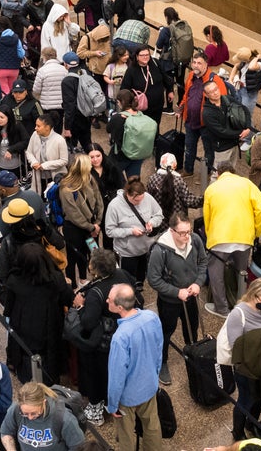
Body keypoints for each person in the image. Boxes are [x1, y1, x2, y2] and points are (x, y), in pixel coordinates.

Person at [72, 248, 134, 426]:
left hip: (101, 344)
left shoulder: (96, 293)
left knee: (96, 375)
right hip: (122, 333)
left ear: (95, 269)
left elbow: (88, 322)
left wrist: (81, 306)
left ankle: (96, 411)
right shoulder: (122, 274)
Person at [146, 212, 207, 384]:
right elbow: (154, 279)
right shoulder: (160, 250)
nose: (187, 236)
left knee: (192, 329)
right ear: (172, 231)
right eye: (182, 233)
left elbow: (203, 262)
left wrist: (198, 283)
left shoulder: (194, 240)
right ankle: (162, 362)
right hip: (169, 302)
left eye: (188, 231)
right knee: (166, 332)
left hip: (191, 297)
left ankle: (194, 356)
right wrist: (176, 292)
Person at [222, 278, 261, 441]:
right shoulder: (238, 314)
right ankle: (238, 431)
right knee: (246, 399)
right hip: (246, 365)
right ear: (253, 296)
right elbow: (236, 344)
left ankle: (252, 423)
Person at [2, 243, 74, 385]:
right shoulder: (55, 279)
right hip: (50, 330)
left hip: (23, 331)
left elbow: (8, 307)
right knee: (51, 365)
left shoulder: (15, 280)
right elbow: (68, 299)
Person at [203, 162, 261, 316]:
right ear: (234, 172)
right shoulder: (247, 183)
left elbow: (207, 217)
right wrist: (256, 231)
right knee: (242, 272)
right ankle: (241, 306)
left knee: (215, 273)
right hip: (244, 236)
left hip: (219, 238)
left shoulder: (211, 189)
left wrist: (209, 237)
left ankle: (222, 309)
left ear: (219, 173)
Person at [106, 283, 165, 451]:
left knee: (126, 433)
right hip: (150, 385)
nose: (106, 300)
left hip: (128, 396)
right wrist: (155, 374)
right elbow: (159, 348)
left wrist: (112, 405)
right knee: (152, 425)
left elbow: (117, 376)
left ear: (118, 307)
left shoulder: (120, 337)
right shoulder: (151, 317)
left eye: (109, 299)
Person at [105, 177, 164, 289]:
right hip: (127, 252)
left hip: (146, 248)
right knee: (127, 281)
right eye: (136, 201)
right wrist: (130, 231)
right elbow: (109, 231)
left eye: (142, 199)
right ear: (127, 194)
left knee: (140, 278)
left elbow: (159, 214)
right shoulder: (114, 206)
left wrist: (151, 222)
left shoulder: (147, 197)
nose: (139, 203)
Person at [180, 51, 229, 176]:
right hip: (190, 121)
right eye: (194, 62)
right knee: (189, 147)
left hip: (206, 124)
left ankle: (207, 172)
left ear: (206, 65)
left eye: (199, 63)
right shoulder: (191, 75)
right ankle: (188, 170)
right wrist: (182, 107)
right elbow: (187, 95)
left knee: (209, 150)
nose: (196, 65)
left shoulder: (215, 80)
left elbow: (223, 101)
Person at [0, 382, 86, 451]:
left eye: (34, 413)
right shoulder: (15, 410)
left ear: (43, 402)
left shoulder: (64, 419)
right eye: (25, 413)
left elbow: (78, 447)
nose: (29, 417)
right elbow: (6, 432)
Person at [58, 154, 103, 283]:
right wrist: (92, 227)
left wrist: (97, 222)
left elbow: (98, 199)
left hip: (91, 225)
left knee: (90, 251)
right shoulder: (66, 188)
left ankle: (83, 278)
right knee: (73, 256)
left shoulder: (89, 178)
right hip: (74, 229)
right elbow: (73, 214)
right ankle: (72, 283)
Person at [202, 76, 251, 177]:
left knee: (231, 173)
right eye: (211, 92)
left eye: (216, 89)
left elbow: (244, 109)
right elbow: (221, 131)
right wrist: (240, 134)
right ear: (206, 95)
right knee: (217, 175)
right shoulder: (207, 113)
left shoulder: (227, 99)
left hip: (234, 143)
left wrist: (247, 126)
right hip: (222, 148)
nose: (215, 92)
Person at [119, 44, 172, 129]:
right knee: (143, 130)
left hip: (158, 105)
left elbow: (165, 77)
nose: (145, 57)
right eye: (142, 55)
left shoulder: (155, 63)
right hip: (141, 109)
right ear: (136, 56)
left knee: (155, 127)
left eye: (147, 55)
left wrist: (170, 90)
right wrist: (127, 108)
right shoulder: (131, 70)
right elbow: (125, 90)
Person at [60, 50, 94, 154]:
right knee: (87, 143)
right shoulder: (87, 74)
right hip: (87, 114)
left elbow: (69, 105)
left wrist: (67, 127)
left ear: (65, 64)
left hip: (75, 118)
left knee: (71, 149)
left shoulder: (67, 81)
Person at [26, 112, 69, 194]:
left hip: (55, 178)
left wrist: (45, 165)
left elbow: (64, 160)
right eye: (36, 125)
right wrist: (34, 162)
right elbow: (29, 152)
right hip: (38, 176)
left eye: (38, 126)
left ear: (47, 127)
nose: (35, 128)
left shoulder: (59, 140)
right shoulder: (35, 135)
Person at [0, 17, 26, 94]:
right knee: (12, 90)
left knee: (4, 92)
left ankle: (7, 105)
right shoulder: (15, 37)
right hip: (14, 68)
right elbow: (21, 54)